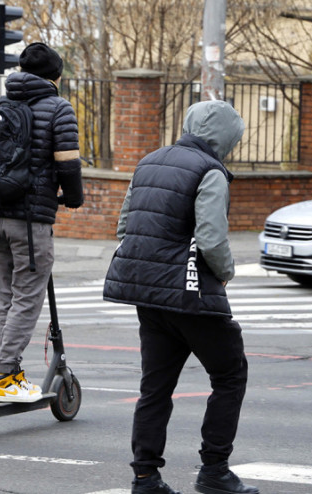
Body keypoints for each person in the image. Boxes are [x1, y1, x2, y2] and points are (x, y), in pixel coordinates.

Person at [103, 100, 258, 494]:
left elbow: (124, 226)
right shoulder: (211, 171)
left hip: (148, 295)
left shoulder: (149, 161)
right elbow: (210, 238)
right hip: (191, 295)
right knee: (230, 374)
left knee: (155, 387)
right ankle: (214, 471)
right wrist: (225, 274)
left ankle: (145, 477)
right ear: (225, 137)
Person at [0, 42, 84, 403]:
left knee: (7, 299)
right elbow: (68, 164)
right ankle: (5, 372)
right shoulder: (59, 108)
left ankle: (10, 373)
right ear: (56, 76)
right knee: (28, 297)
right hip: (30, 219)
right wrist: (73, 198)